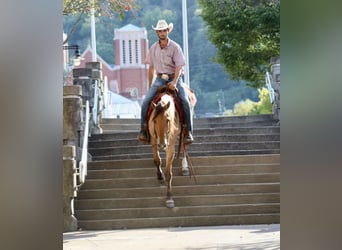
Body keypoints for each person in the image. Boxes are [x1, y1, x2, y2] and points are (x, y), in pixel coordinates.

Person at [138, 19, 194, 144]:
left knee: (185, 101)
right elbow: (151, 68)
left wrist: (174, 82)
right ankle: (144, 129)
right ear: (157, 33)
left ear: (168, 31)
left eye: (164, 30)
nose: (162, 33)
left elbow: (179, 66)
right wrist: (150, 85)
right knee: (146, 101)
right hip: (159, 79)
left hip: (175, 77)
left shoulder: (175, 47)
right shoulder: (153, 48)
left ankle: (188, 132)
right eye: (160, 31)